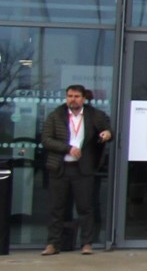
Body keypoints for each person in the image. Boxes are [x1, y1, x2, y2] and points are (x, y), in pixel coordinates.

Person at [39, 84, 113, 256]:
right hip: (60, 167)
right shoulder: (56, 115)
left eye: (76, 96)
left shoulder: (94, 115)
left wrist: (107, 134)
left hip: (83, 168)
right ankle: (53, 243)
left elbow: (107, 129)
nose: (73, 99)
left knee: (85, 207)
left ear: (83, 98)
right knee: (57, 208)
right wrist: (67, 148)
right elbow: (46, 139)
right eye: (70, 96)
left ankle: (87, 243)